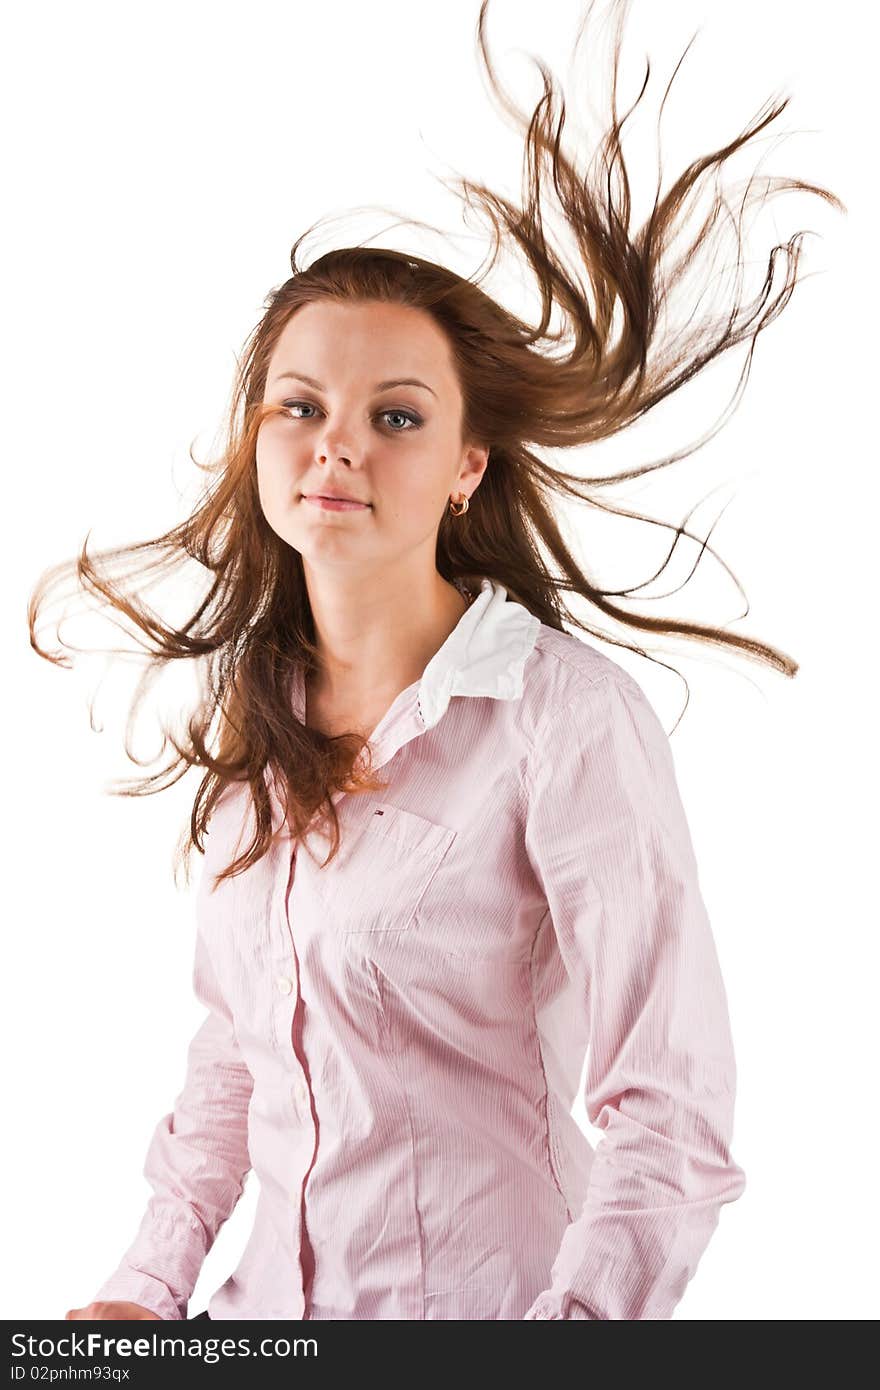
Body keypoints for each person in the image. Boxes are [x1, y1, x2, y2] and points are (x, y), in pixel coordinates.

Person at [40, 0, 842, 1322]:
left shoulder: (565, 719)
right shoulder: (257, 723)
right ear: (258, 442)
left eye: (394, 416)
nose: (336, 444)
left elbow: (672, 1109)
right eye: (300, 406)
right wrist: (141, 1289)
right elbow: (233, 1069)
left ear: (468, 466)